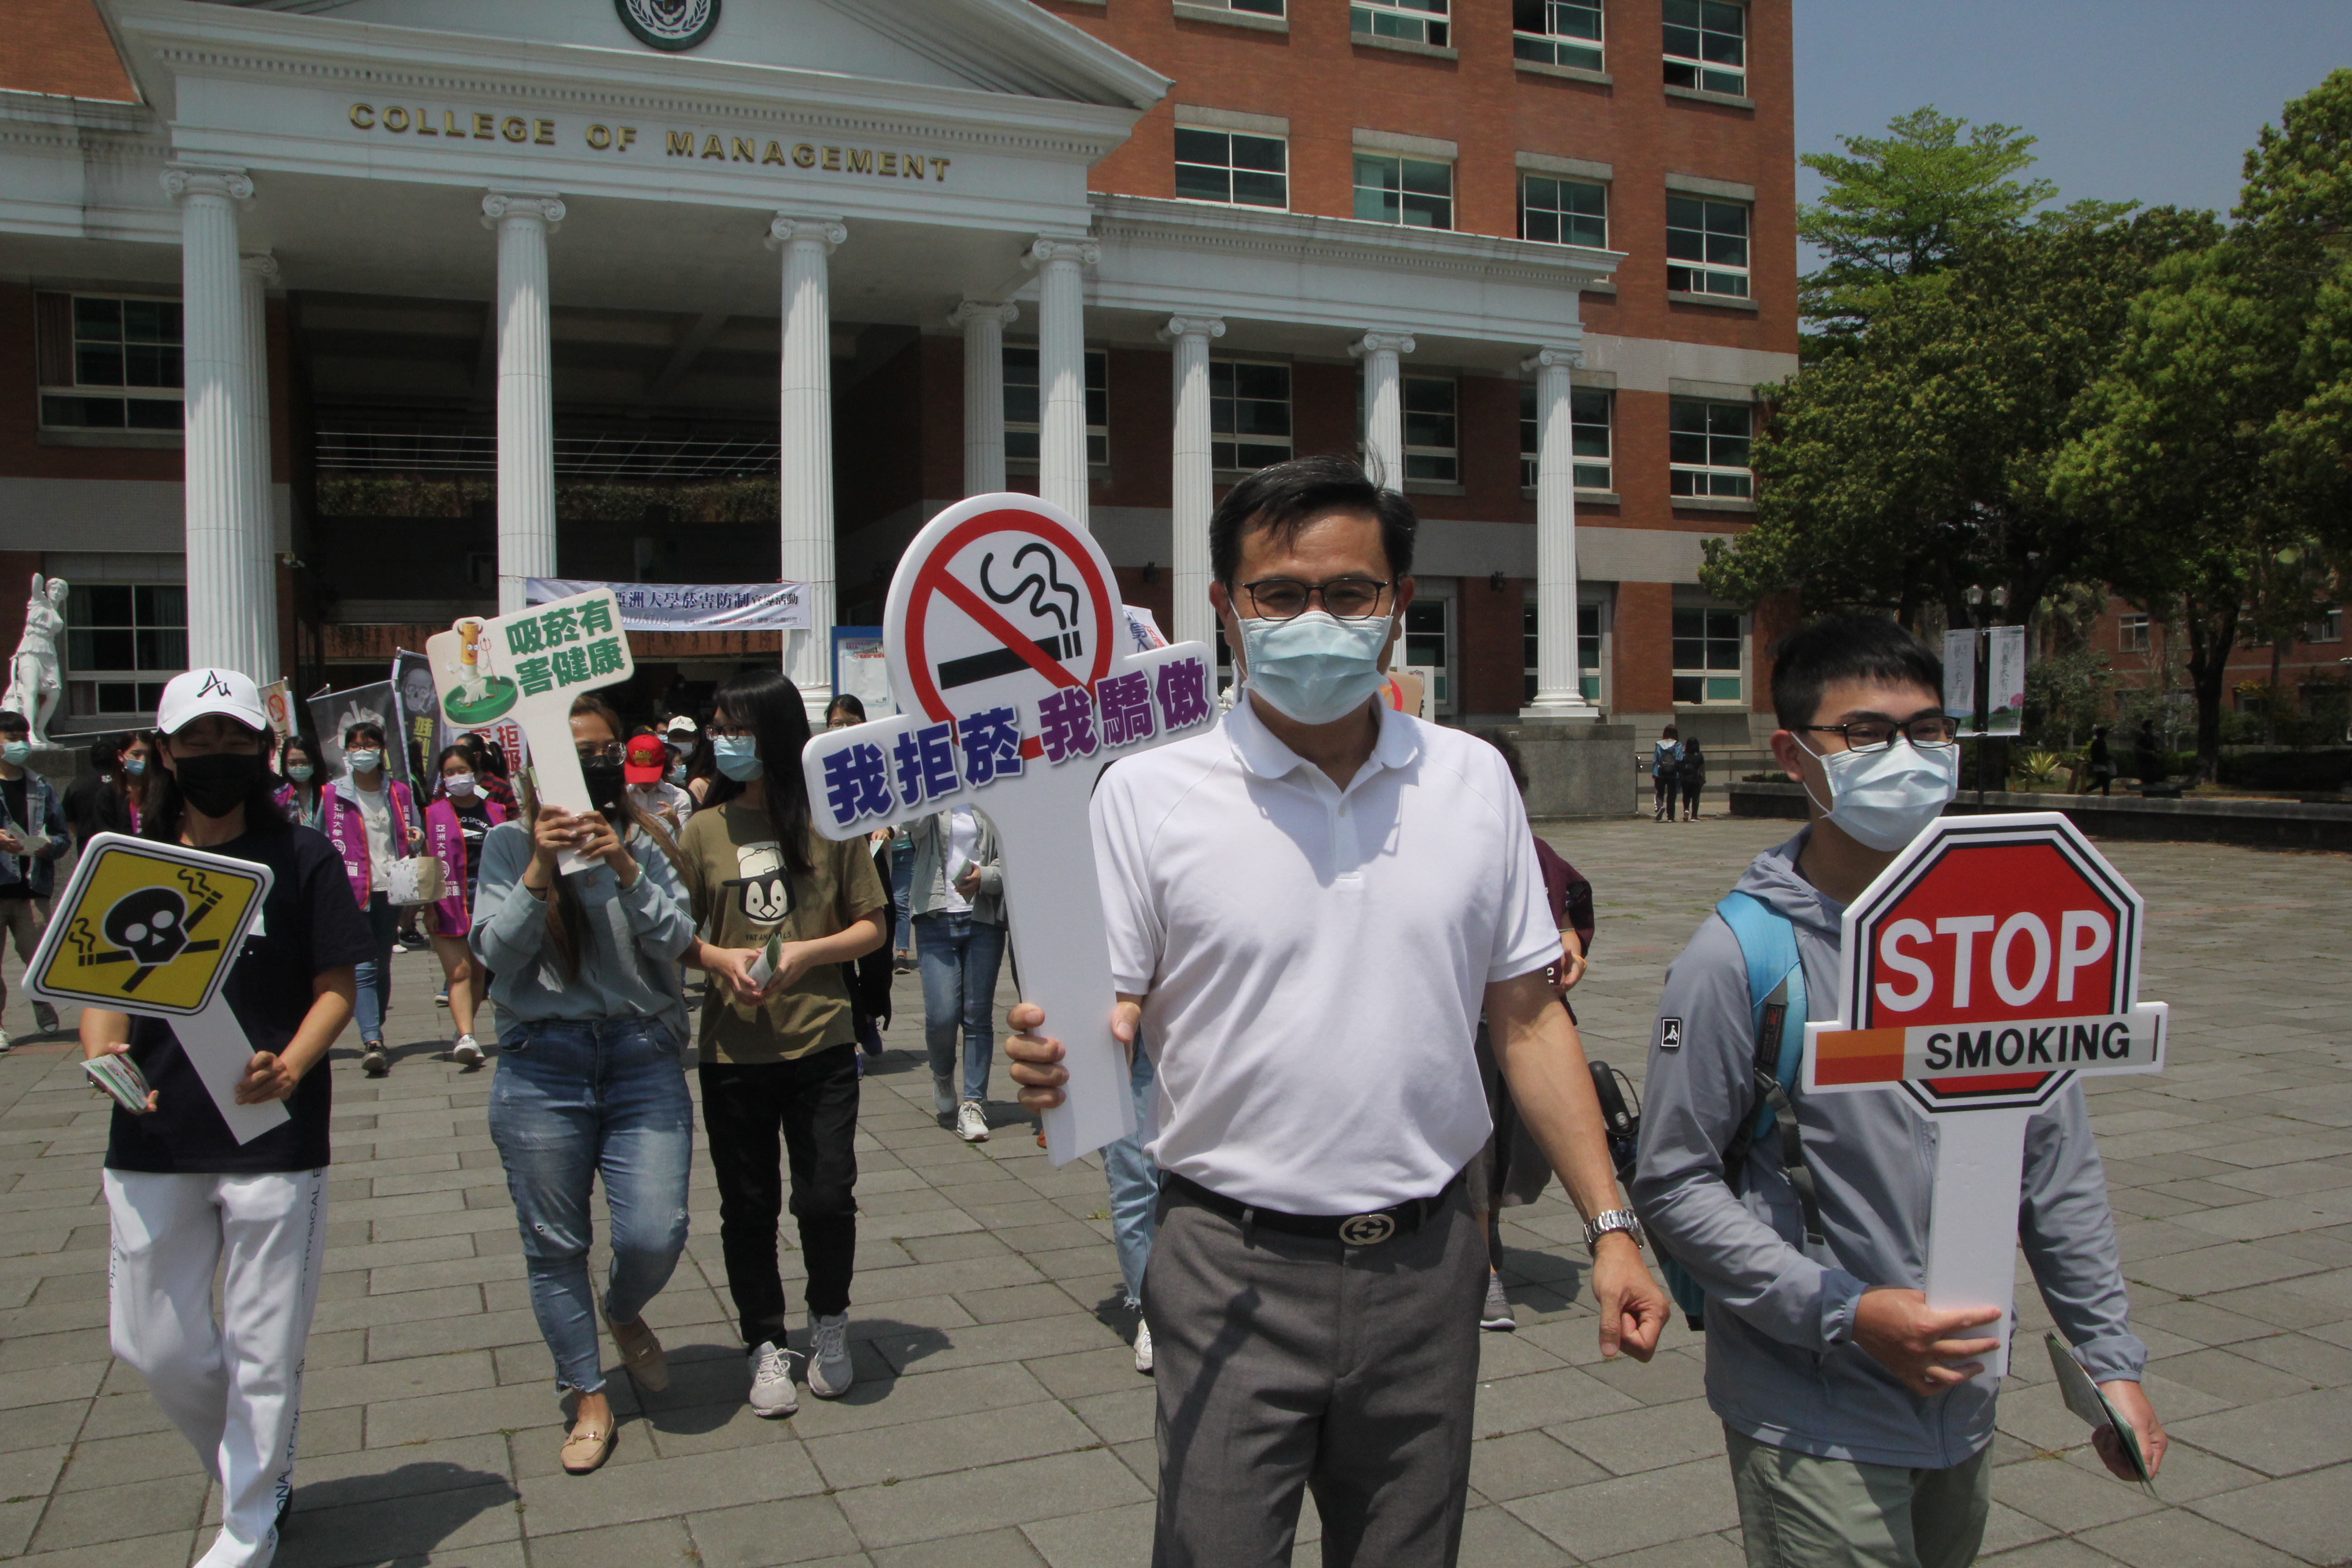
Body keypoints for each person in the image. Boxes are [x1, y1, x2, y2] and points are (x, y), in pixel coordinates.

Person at [1006, 455, 1667, 1568]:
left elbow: (1526, 1015)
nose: (1314, 618)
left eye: (1349, 593)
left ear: (1398, 605)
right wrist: (1054, 1060)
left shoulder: (1470, 780)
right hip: (1228, 1259)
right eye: (1277, 594)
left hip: (1430, 1260)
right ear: (1223, 609)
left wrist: (1610, 1225)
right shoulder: (1147, 792)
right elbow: (1096, 1016)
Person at [1631, 615, 2165, 1568]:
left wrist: (2109, 1363)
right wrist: (1844, 1311)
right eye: (1869, 735)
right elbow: (1674, 1182)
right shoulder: (1742, 957)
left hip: (1964, 1402)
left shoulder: (2008, 939)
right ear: (1795, 755)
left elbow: (2056, 1165)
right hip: (1815, 1411)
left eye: (1929, 731)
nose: (1907, 757)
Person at [84, 667, 372, 1568]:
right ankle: (260, 1460)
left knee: (262, 1348)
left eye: (234, 740)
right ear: (165, 752)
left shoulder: (305, 859)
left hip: (273, 1139)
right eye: (198, 742)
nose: (218, 758)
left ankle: (248, 1528)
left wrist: (291, 1064)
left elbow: (336, 987)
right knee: (150, 1343)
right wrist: (106, 1059)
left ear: (263, 748)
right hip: (153, 1134)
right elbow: (99, 995)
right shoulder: (125, 861)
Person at [470, 694, 699, 1474]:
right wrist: (539, 867)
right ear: (536, 768)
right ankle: (587, 1390)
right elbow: (496, 956)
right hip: (542, 1061)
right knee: (553, 1243)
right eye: (574, 753)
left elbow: (676, 940)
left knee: (656, 1229)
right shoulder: (505, 843)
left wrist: (626, 865)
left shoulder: (649, 836)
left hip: (641, 1054)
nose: (592, 765)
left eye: (603, 752)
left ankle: (624, 1308)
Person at [678, 670, 888, 1418]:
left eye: (733, 727)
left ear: (770, 734)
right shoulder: (701, 830)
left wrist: (805, 953)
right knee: (748, 1205)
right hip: (734, 1053)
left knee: (826, 1195)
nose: (721, 741)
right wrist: (718, 961)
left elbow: (873, 924)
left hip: (822, 1046)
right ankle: (765, 1340)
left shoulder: (829, 822)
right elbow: (675, 935)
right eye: (715, 729)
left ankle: (830, 1321)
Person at [1470, 737, 1595, 1332]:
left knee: (1505, 1152)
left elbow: (1566, 918)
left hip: (1515, 1028)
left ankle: (1485, 1242)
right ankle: (1483, 1267)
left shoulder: (1531, 854)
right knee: (1473, 1151)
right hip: (1450, 1035)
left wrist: (1570, 945)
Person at [318, 722, 420, 1078]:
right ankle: (372, 1039)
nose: (363, 751)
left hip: (390, 888)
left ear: (381, 750)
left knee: (382, 963)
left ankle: (375, 1024)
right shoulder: (332, 794)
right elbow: (319, 838)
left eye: (370, 745)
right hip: (350, 889)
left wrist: (416, 838)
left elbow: (414, 835)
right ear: (347, 751)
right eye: (356, 746)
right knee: (362, 967)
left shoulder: (399, 793)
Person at [904, 804, 1006, 1140]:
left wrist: (985, 877)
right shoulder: (930, 792)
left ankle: (974, 1102)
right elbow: (912, 826)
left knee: (978, 1016)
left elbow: (1013, 854)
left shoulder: (992, 790)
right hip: (935, 914)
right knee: (942, 1015)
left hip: (983, 916)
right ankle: (942, 1073)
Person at [821, 696, 892, 1059]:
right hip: (832, 872)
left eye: (851, 722)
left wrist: (887, 828)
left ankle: (869, 1013)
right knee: (841, 954)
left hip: (873, 866)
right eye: (836, 723)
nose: (844, 729)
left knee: (879, 953)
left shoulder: (877, 762)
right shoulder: (818, 768)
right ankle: (852, 1028)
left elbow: (899, 808)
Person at [422, 745, 500, 1067]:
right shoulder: (434, 813)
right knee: (460, 972)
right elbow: (427, 863)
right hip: (447, 896)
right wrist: (426, 907)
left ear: (477, 773)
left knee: (479, 972)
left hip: (486, 896)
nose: (456, 778)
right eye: (449, 773)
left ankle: (463, 1029)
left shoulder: (496, 811)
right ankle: (467, 1037)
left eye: (462, 771)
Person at [0, 708, 67, 1049]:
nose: (20, 745)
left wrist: (45, 847)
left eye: (23, 737)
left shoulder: (39, 786)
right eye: (12, 739)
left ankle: (41, 1001)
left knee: (38, 958)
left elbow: (62, 837)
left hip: (31, 888)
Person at [64, 732, 135, 851]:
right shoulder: (126, 785)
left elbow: (69, 819)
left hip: (88, 846)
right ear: (118, 757)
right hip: (124, 847)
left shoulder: (77, 785)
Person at [626, 730, 695, 832]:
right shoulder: (623, 796)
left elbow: (684, 845)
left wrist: (675, 824)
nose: (645, 781)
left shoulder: (679, 798)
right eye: (639, 773)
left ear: (663, 765)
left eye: (650, 773)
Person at [272, 736, 326, 829]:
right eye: (292, 763)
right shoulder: (279, 795)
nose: (299, 767)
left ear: (314, 762)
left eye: (305, 762)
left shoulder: (327, 792)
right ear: (285, 764)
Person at [1651, 724, 1682, 821]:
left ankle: (1660, 808)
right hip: (1673, 773)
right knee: (1672, 795)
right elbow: (1679, 759)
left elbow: (1656, 759)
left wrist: (1654, 772)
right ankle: (1671, 817)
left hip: (1660, 772)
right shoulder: (1678, 745)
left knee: (1660, 793)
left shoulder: (1659, 744)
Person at [1680, 733, 1708, 821]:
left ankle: (1686, 810)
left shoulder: (1684, 755)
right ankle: (1694, 816)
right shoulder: (1699, 755)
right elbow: (1702, 768)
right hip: (1696, 779)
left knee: (1686, 796)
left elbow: (1680, 767)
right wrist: (1704, 778)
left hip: (1685, 779)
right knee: (1696, 797)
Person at [2131, 718, 2162, 788]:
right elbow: (2138, 748)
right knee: (2148, 780)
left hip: (2152, 762)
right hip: (2146, 763)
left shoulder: (2152, 737)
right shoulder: (2143, 737)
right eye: (2152, 727)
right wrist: (2149, 752)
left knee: (2153, 779)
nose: (2154, 729)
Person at [2086, 725, 2115, 796]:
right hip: (2100, 764)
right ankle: (2106, 795)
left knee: (2101, 781)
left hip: (2097, 764)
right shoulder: (2102, 742)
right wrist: (2110, 757)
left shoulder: (2095, 743)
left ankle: (2085, 790)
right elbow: (2102, 754)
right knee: (2104, 781)